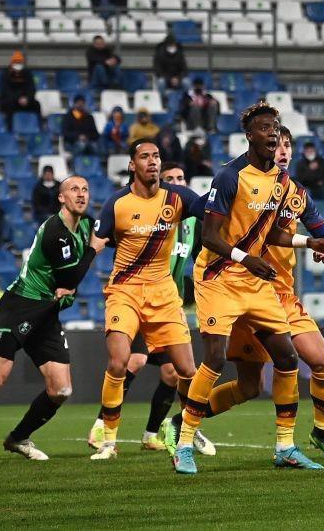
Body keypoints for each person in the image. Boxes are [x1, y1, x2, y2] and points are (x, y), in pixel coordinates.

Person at [162, 128, 324, 468]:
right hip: (235, 285)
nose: (281, 150)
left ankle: (317, 434)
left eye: (286, 144)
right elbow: (201, 212)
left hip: (277, 293)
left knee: (317, 362)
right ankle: (182, 429)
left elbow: (321, 231)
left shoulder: (295, 194)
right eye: (276, 144)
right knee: (246, 384)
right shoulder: (240, 183)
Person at [0, 177, 101, 465]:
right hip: (19, 306)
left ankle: (18, 438)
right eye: (74, 190)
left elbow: (111, 232)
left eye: (85, 189)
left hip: (47, 313)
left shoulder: (88, 225)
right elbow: (69, 279)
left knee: (61, 390)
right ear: (61, 198)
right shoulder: (56, 231)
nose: (81, 194)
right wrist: (93, 250)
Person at [87, 161, 215, 456]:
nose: (175, 185)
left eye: (180, 178)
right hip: (138, 299)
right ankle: (101, 427)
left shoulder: (192, 224)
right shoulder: (145, 216)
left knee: (175, 373)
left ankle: (155, 433)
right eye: (169, 179)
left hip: (168, 303)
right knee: (132, 362)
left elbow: (201, 259)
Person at [0, 51, 42, 130]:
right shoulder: (6, 74)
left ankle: (39, 128)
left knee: (36, 105)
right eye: (15, 62)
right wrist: (17, 99)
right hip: (11, 101)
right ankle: (10, 130)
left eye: (19, 62)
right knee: (8, 106)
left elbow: (31, 88)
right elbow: (5, 91)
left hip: (25, 101)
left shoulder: (27, 73)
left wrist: (27, 99)